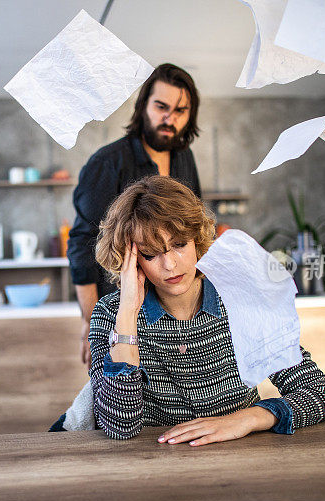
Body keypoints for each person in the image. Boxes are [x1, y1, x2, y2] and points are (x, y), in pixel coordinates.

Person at [90, 176, 325, 444]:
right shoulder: (111, 313)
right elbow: (120, 426)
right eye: (151, 254)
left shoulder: (240, 299)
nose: (170, 264)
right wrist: (127, 312)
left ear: (197, 239)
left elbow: (318, 394)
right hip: (155, 465)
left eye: (179, 244)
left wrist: (246, 419)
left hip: (240, 460)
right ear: (132, 261)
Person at [68, 63, 202, 369]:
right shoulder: (108, 162)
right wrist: (90, 322)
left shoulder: (184, 158)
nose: (170, 118)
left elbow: (192, 226)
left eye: (181, 110)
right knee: (120, 396)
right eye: (161, 107)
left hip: (174, 313)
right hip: (119, 311)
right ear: (143, 106)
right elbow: (81, 244)